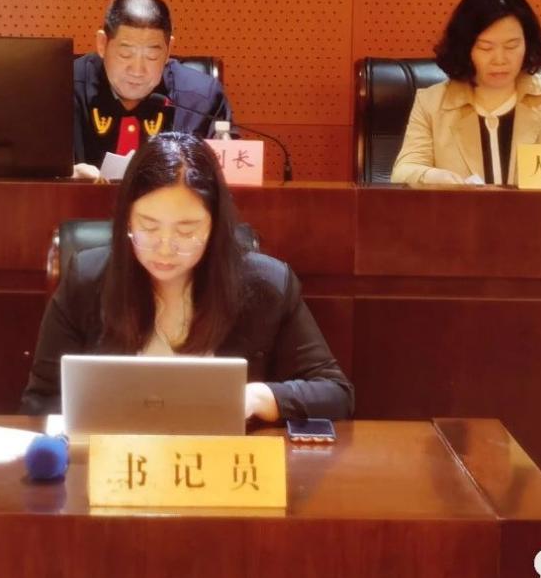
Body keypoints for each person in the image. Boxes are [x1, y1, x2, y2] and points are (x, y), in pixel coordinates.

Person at [21, 132, 353, 422]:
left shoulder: (267, 284)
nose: (165, 248)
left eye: (186, 230)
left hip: (215, 463)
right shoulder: (87, 279)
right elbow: (40, 401)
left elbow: (335, 392)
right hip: (116, 462)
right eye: (148, 227)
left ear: (215, 225)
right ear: (126, 219)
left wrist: (256, 397)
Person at [391, 0, 541, 186]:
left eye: (511, 46)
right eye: (485, 48)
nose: (499, 59)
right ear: (466, 48)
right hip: (459, 208)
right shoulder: (431, 103)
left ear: (528, 44)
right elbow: (403, 171)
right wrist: (434, 178)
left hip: (536, 209)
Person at [73, 0, 232, 178]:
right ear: (102, 44)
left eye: (152, 56)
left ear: (168, 50)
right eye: (125, 54)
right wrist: (66, 176)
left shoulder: (202, 98)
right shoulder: (62, 88)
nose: (137, 70)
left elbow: (229, 178)